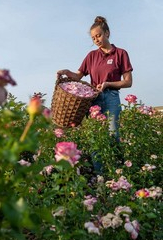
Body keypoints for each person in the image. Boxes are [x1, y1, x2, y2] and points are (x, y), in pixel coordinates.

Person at [57, 16, 133, 173]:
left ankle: (118, 173)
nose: (96, 40)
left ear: (107, 33)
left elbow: (128, 82)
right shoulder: (91, 56)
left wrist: (108, 84)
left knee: (114, 134)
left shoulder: (120, 54)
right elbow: (78, 76)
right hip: (94, 101)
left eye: (98, 35)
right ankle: (100, 177)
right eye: (93, 38)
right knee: (96, 138)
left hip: (112, 97)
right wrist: (66, 72)